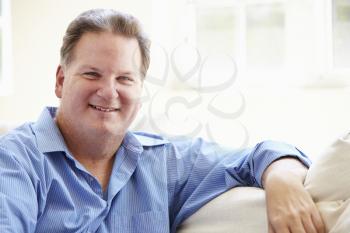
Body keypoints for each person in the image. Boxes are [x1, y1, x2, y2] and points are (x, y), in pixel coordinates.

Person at [0, 9, 324, 233]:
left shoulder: (163, 162)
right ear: (60, 80)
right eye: (91, 73)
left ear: (140, 89)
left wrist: (282, 177)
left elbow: (256, 155)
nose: (109, 91)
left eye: (125, 79)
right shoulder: (15, 161)